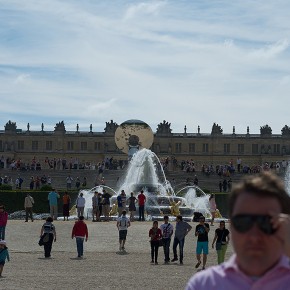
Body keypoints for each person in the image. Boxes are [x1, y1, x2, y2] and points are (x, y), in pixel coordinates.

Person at [186, 171, 290, 290]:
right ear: (231, 225)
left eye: (266, 222)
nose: (254, 235)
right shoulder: (202, 285)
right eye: (243, 221)